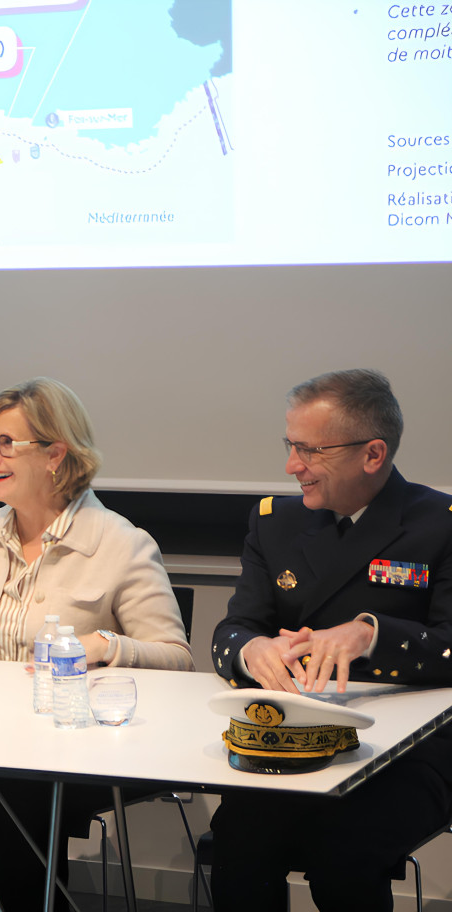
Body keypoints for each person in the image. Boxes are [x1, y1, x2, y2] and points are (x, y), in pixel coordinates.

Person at [0, 377, 192, 912]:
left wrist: (103, 645)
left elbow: (177, 659)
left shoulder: (121, 543)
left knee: (17, 792)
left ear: (56, 453)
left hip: (74, 745)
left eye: (7, 443)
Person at [208, 369, 452, 912]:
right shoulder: (275, 523)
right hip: (297, 737)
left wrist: (372, 635)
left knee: (343, 854)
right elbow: (233, 629)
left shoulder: (438, 523)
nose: (292, 466)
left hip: (413, 748)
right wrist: (254, 650)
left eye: (310, 450)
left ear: (372, 454)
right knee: (239, 844)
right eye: (290, 446)